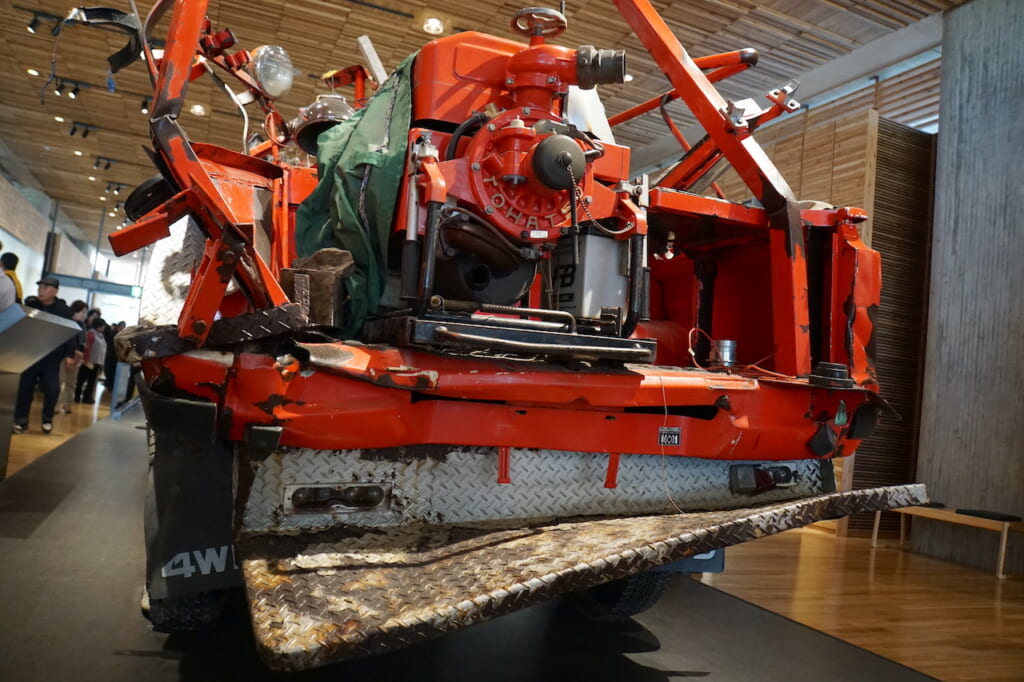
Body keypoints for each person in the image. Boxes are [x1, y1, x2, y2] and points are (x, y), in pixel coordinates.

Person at [13, 276, 76, 434]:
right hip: (30, 355)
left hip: (51, 357)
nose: (41, 290)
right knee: (25, 389)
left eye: (45, 287)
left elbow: (70, 333)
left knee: (52, 389)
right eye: (40, 287)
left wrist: (69, 354)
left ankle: (47, 419)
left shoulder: (63, 310)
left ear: (55, 291)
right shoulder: (32, 304)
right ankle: (21, 421)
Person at [59, 300, 89, 413]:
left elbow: (84, 342)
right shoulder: (67, 322)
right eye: (83, 312)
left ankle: (67, 405)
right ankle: (56, 405)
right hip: (64, 356)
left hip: (77, 357)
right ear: (75, 311)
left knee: (71, 383)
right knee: (60, 381)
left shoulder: (83, 326)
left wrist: (80, 354)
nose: (84, 315)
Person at [75, 317, 108, 404]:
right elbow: (87, 347)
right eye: (103, 326)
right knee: (81, 380)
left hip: (97, 362)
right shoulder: (90, 334)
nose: (104, 328)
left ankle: (87, 398)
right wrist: (85, 359)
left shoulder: (101, 335)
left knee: (92, 382)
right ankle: (77, 396)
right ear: (99, 326)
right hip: (88, 361)